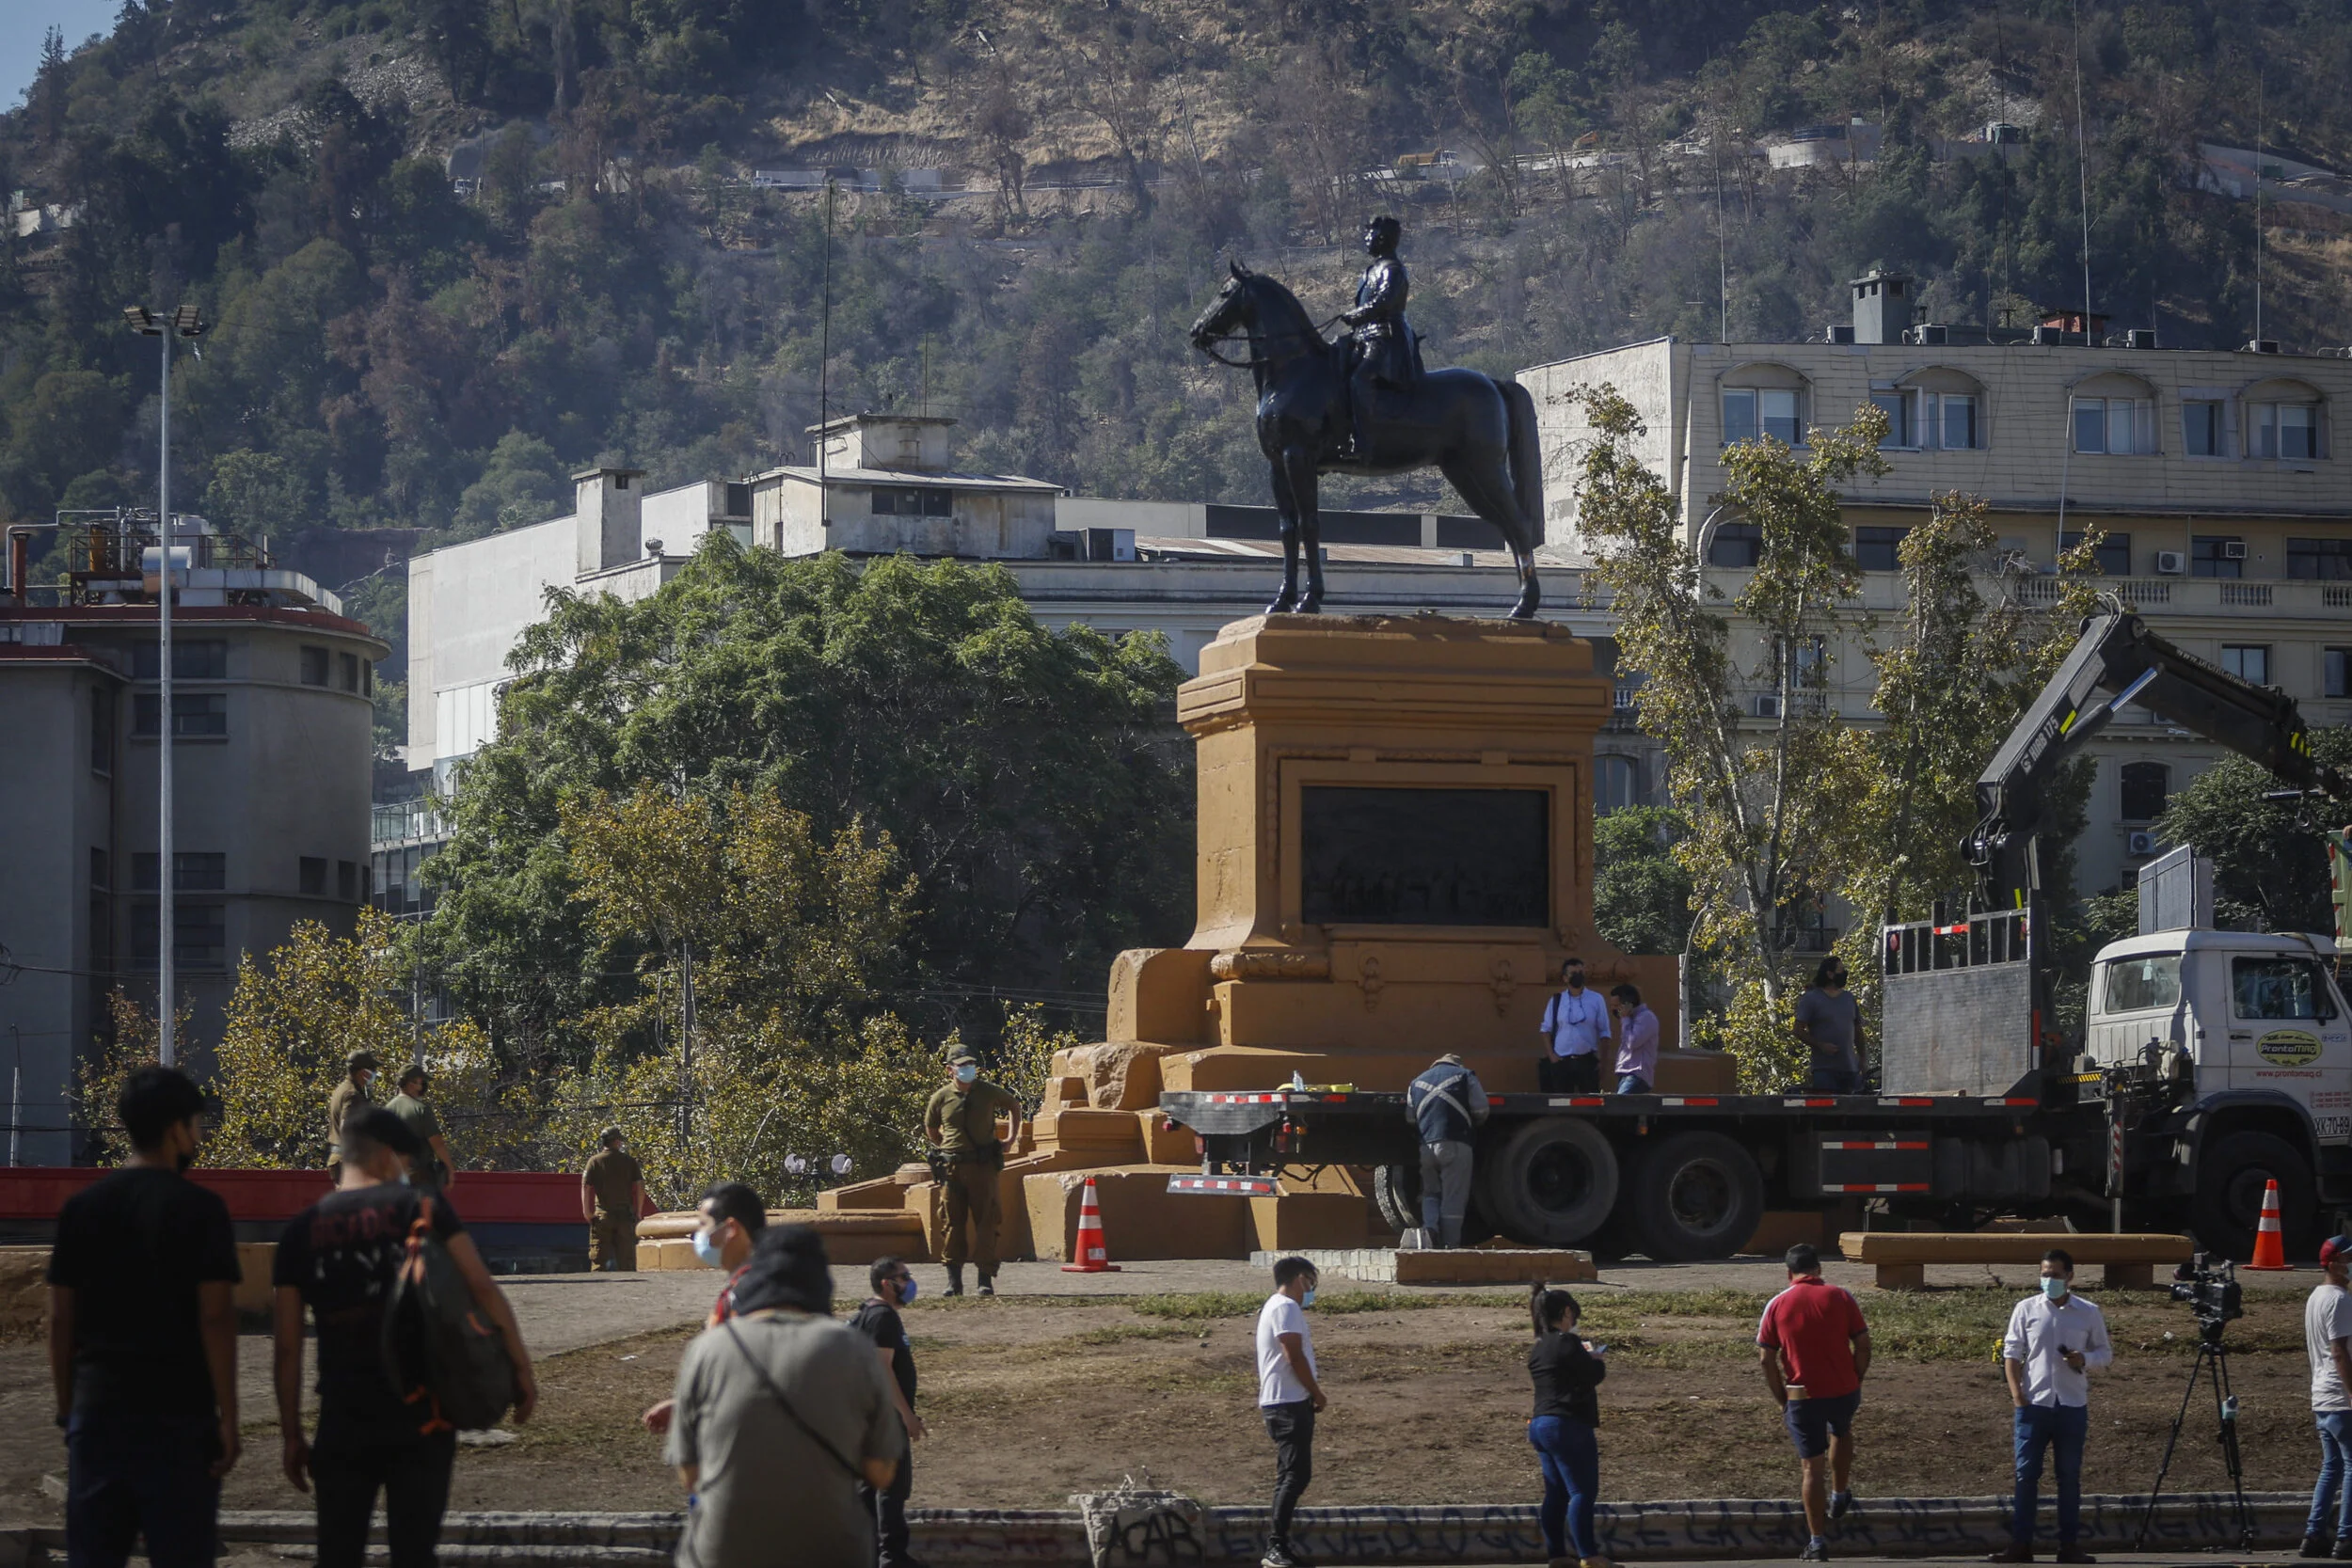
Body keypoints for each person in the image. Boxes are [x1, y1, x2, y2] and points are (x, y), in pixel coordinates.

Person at [274, 1107, 538, 1568]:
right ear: (385, 1156)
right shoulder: (424, 1208)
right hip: (423, 1415)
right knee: (415, 1552)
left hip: (342, 1418)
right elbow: (482, 1289)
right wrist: (521, 1370)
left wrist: (293, 1434)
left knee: (338, 1552)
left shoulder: (300, 1232)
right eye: (403, 1162)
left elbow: (287, 1347)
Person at [48, 1064, 240, 1568]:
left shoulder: (81, 1209)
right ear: (176, 1128)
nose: (198, 1136)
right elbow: (216, 1319)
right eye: (197, 1124)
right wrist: (230, 1418)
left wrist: (70, 1408)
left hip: (99, 1415)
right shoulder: (202, 1210)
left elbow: (61, 1322)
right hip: (180, 1421)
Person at [664, 1224, 904, 1568]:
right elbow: (881, 1472)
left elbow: (690, 1474)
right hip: (831, 1549)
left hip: (724, 1551)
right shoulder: (855, 1350)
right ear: (820, 1280)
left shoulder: (707, 1349)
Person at [1990, 1248, 2110, 1565]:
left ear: (2070, 1276)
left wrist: (2085, 1359)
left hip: (2072, 1403)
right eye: (2045, 1274)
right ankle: (2020, 1544)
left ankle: (2068, 1546)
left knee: (2068, 1477)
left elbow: (2105, 1353)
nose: (2049, 1280)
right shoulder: (2026, 1309)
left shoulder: (2087, 1312)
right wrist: (2018, 1396)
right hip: (2034, 1404)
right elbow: (2012, 1353)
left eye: (2055, 1275)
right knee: (2025, 1476)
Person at [1756, 1243, 1871, 1563]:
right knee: (1842, 1429)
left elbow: (1766, 1358)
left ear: (1789, 1273)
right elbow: (1862, 1342)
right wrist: (1857, 1378)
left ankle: (1817, 1541)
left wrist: (1782, 1400)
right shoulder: (1841, 1296)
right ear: (1819, 1270)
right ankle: (1839, 1493)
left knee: (1811, 1466)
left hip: (1801, 1394)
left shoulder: (1778, 1304)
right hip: (1843, 1389)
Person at [642, 1181, 771, 1436]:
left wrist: (692, 1409)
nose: (697, 1235)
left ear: (731, 1229)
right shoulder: (752, 1282)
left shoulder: (752, 1292)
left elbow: (748, 1372)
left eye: (704, 1225)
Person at [922, 1049, 1022, 1297]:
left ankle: (984, 1280)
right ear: (950, 1069)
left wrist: (1010, 1139)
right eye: (961, 1066)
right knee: (952, 1223)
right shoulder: (941, 1097)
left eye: (971, 1065)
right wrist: (945, 1145)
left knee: (986, 1221)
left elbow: (1013, 1104)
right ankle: (954, 1282)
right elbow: (931, 1127)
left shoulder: (987, 1091)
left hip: (983, 1168)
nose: (968, 1070)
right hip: (952, 1169)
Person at [1527, 1281, 1610, 1568]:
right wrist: (1597, 1360)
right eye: (1573, 1316)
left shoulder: (1538, 1348)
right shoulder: (1569, 1343)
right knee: (1581, 1491)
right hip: (1568, 1425)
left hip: (1540, 1424)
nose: (1573, 1322)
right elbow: (1591, 1375)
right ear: (1565, 1312)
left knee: (1556, 1494)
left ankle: (1557, 1555)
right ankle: (1589, 1554)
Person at [851, 1257, 928, 1568]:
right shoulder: (883, 1317)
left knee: (869, 1490)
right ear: (887, 1283)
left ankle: (869, 1555)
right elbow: (883, 1370)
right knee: (892, 1488)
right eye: (904, 1277)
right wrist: (907, 1416)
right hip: (885, 1419)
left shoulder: (867, 1313)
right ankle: (891, 1557)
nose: (909, 1283)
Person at [1255, 1256, 1327, 1568]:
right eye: (1311, 1282)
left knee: (1289, 1474)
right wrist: (1316, 1392)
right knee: (1296, 1475)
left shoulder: (1274, 1306)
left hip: (1282, 1401)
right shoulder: (1286, 1307)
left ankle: (1279, 1545)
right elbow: (1293, 1355)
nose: (1311, 1289)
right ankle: (1276, 1547)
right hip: (1288, 1403)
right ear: (1299, 1278)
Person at [1337, 214, 1417, 459]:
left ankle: (1364, 443)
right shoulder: (1372, 270)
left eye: (1369, 235)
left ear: (1382, 239)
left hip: (1386, 338)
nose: (1365, 239)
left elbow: (1384, 302)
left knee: (1361, 380)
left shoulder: (1393, 270)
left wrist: (1356, 315)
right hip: (1365, 337)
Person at [1406, 1053, 1489, 1248]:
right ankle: (1449, 1246)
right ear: (1457, 1065)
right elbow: (1481, 1109)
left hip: (1426, 1146)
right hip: (1456, 1143)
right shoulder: (1465, 1076)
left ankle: (1431, 1230)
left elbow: (1410, 1117)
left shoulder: (1416, 1082)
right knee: (1454, 1197)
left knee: (1430, 1192)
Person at [2302, 1235, 2352, 1560]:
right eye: (2347, 1258)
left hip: (2321, 1395)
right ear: (2333, 1263)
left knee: (2331, 1467)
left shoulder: (2315, 1297)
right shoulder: (2339, 1299)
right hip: (2340, 1396)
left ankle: (2313, 1534)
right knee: (2349, 1467)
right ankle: (2346, 1537)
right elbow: (2339, 1352)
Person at [1538, 958, 1612, 1094]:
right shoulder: (1556, 1000)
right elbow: (1545, 1029)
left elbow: (1605, 1032)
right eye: (1573, 973)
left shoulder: (1596, 999)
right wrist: (1552, 1056)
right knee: (1561, 1103)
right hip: (1561, 1061)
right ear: (1565, 978)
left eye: (1580, 972)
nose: (1577, 975)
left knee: (1590, 1104)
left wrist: (1603, 1062)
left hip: (1587, 1060)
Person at [580, 1126, 647, 1272]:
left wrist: (587, 1212)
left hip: (602, 1216)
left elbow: (586, 1186)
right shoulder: (629, 1161)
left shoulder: (594, 1161)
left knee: (598, 1262)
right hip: (625, 1215)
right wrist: (638, 1212)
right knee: (627, 1262)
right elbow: (640, 1185)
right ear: (617, 1141)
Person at [1794, 959, 1865, 1095]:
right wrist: (1820, 1045)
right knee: (1827, 1113)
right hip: (1824, 1071)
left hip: (1851, 1069)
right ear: (1830, 974)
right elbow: (1797, 1030)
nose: (1844, 973)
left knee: (1856, 1111)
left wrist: (1862, 1058)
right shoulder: (1811, 999)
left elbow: (1858, 1030)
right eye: (1841, 970)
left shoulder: (1849, 998)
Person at [383, 1064, 456, 1194]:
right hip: (418, 1178)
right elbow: (437, 1144)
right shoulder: (421, 1109)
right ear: (412, 1083)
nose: (422, 1086)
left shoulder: (386, 1111)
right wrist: (450, 1170)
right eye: (421, 1082)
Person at [325, 1050, 377, 1180]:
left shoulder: (341, 1089)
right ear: (363, 1072)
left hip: (339, 1158)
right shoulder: (353, 1095)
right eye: (372, 1070)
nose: (374, 1074)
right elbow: (346, 1127)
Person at [1609, 985, 1660, 1095]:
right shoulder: (1631, 1019)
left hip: (1636, 1074)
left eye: (1616, 1006)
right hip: (1625, 1073)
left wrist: (1625, 1019)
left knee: (1619, 1106)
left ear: (1628, 1004)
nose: (1613, 1009)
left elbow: (1632, 1042)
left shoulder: (1646, 1017)